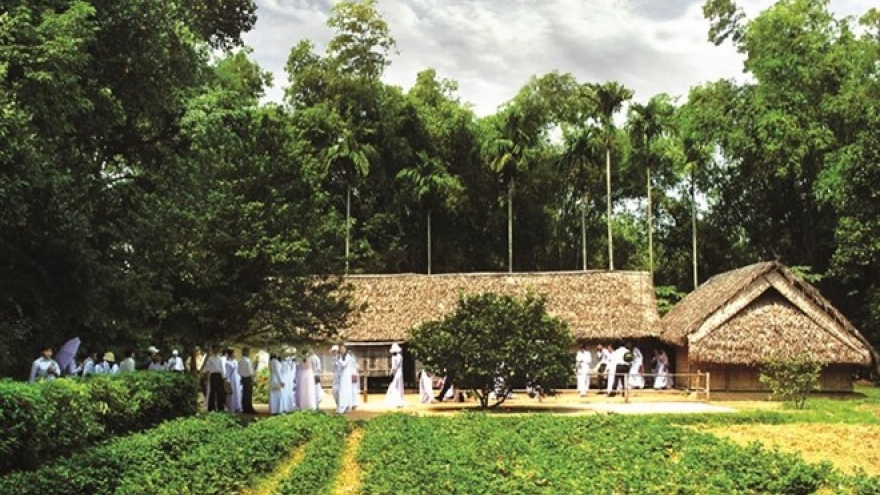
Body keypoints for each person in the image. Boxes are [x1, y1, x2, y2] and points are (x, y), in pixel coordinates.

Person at [335, 344, 359, 413]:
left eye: (343, 349)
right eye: (341, 349)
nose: (342, 350)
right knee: (342, 390)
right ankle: (342, 405)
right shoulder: (340, 357)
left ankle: (347, 406)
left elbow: (344, 364)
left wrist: (339, 359)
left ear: (346, 350)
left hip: (347, 376)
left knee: (347, 390)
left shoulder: (348, 356)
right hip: (342, 376)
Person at [202, 347, 226, 412]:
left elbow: (222, 368)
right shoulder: (210, 359)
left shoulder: (220, 358)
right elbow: (207, 367)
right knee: (212, 392)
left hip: (219, 375)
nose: (216, 351)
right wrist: (204, 373)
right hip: (213, 375)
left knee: (220, 392)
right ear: (213, 350)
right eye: (214, 350)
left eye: (217, 350)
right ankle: (211, 408)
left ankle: (220, 407)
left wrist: (223, 376)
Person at [385, 343, 405, 408]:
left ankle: (397, 401)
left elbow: (394, 367)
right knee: (399, 387)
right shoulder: (400, 357)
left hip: (396, 373)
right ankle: (400, 400)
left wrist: (391, 373)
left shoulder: (394, 357)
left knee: (394, 387)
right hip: (400, 373)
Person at [238, 348, 256, 413]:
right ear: (247, 353)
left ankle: (244, 408)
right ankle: (249, 408)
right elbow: (250, 371)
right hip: (248, 378)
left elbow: (238, 371)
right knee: (248, 394)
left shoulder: (240, 361)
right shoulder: (248, 361)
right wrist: (253, 377)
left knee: (244, 394)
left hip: (243, 378)